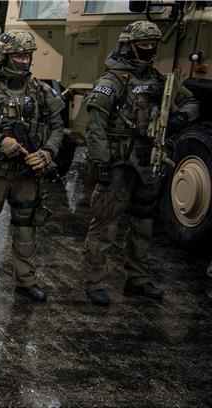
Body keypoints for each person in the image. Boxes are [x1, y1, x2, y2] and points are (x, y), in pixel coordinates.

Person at [82, 21, 199, 306]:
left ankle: (138, 278)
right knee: (105, 224)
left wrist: (180, 119)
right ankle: (95, 282)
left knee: (144, 223)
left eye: (153, 44)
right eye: (144, 44)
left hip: (149, 161)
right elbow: (94, 127)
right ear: (129, 45)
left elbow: (191, 102)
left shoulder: (159, 81)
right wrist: (101, 163)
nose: (149, 49)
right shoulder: (112, 82)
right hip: (119, 162)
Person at [0, 29, 64, 304]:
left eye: (27, 55)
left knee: (26, 227)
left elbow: (57, 126)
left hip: (27, 174)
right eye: (18, 55)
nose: (24, 61)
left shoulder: (42, 91)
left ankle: (26, 281)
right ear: (4, 56)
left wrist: (48, 152)